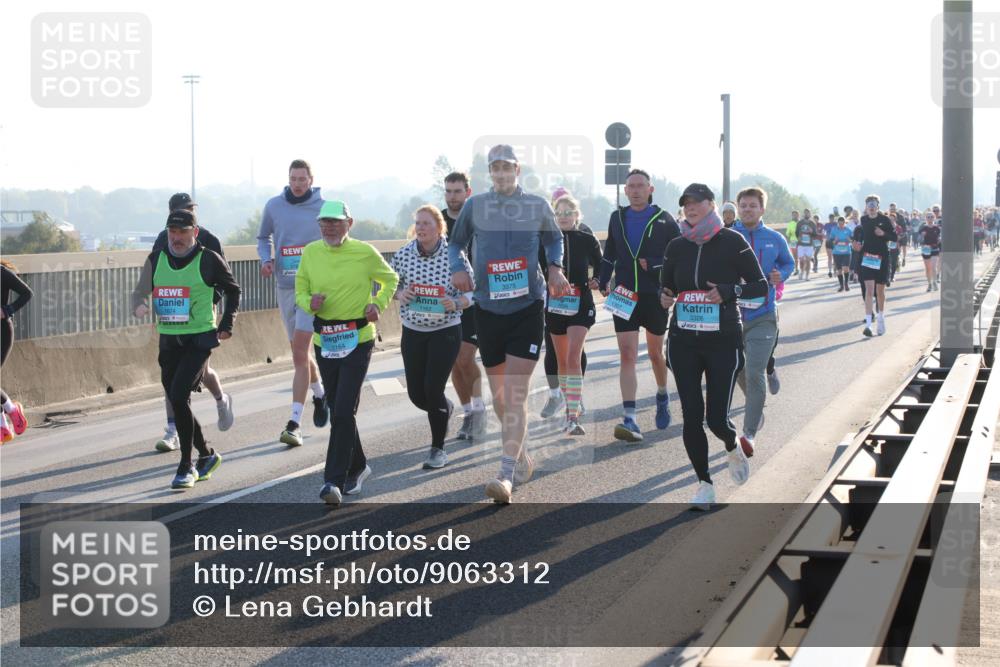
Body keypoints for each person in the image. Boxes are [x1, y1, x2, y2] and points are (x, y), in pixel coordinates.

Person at [449, 144, 569, 504]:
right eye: (496, 168)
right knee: (501, 398)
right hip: (488, 309)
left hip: (527, 308)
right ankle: (520, 451)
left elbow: (554, 238)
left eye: (507, 168)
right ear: (490, 173)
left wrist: (555, 267)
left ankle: (505, 474)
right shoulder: (475, 206)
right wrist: (459, 268)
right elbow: (456, 244)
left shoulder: (536, 205)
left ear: (518, 170)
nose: (502, 174)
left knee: (515, 394)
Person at [660, 184, 769, 511]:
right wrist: (664, 297)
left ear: (711, 205)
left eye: (697, 202)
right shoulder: (676, 246)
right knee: (691, 416)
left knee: (717, 420)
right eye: (686, 204)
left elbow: (760, 287)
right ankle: (704, 485)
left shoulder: (732, 241)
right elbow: (666, 287)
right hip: (683, 342)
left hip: (722, 342)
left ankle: (732, 445)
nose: (690, 208)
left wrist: (729, 290)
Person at [296, 200, 399, 505]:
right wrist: (308, 302)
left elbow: (390, 279)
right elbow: (300, 288)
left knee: (341, 410)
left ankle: (333, 481)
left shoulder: (364, 252)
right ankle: (358, 466)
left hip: (358, 338)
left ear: (349, 224)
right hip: (325, 339)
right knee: (340, 408)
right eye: (324, 222)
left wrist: (377, 304)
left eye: (336, 222)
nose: (329, 228)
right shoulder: (311, 252)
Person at [131, 209, 240, 489]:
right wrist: (139, 305)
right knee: (177, 400)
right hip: (169, 340)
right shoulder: (156, 259)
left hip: (199, 339)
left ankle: (186, 466)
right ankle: (206, 454)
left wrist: (227, 322)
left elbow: (233, 289)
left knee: (179, 395)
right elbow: (139, 292)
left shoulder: (209, 259)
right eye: (172, 232)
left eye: (182, 232)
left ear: (195, 232)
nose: (176, 238)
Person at [597, 169, 680, 442]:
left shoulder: (665, 219)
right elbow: (609, 253)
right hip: (623, 292)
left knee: (655, 354)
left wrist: (656, 266)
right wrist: (602, 278)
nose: (635, 190)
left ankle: (662, 394)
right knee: (627, 354)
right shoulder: (617, 217)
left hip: (654, 294)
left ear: (650, 189)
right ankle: (630, 418)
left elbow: (677, 256)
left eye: (640, 186)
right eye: (631, 186)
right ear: (625, 190)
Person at [151, 193, 234, 453]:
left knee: (200, 374)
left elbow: (224, 279)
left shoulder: (209, 240)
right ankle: (173, 429)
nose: (188, 214)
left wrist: (209, 302)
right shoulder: (163, 239)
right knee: (175, 382)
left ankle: (220, 399)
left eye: (190, 210)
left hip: (201, 319)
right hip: (172, 321)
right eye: (182, 210)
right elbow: (156, 275)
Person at [392, 205, 472, 469]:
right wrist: (400, 294)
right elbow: (388, 285)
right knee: (417, 394)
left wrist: (457, 302)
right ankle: (444, 408)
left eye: (426, 223)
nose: (421, 228)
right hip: (413, 330)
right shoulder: (403, 254)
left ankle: (438, 449)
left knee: (432, 388)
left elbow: (473, 292)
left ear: (439, 227)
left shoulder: (454, 256)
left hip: (445, 331)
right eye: (418, 223)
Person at [257, 159, 327, 447]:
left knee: (299, 353)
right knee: (299, 351)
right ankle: (320, 394)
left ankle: (294, 422)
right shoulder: (274, 206)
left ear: (311, 180)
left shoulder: (323, 207)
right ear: (288, 179)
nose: (297, 184)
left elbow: (337, 238)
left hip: (313, 290)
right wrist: (266, 259)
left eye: (302, 179)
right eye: (293, 179)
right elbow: (263, 237)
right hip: (285, 286)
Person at [731, 187, 794, 458]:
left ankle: (749, 435)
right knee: (737, 369)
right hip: (732, 317)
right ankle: (755, 409)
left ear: (762, 209)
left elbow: (788, 264)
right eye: (743, 205)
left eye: (752, 205)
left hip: (763, 316)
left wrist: (781, 275)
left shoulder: (774, 238)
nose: (747, 209)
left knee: (754, 371)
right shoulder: (727, 237)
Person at [542, 194, 603, 435]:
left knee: (573, 356)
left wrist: (597, 279)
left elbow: (602, 264)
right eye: (559, 213)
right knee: (562, 361)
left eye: (568, 213)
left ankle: (572, 416)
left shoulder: (586, 239)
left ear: (577, 215)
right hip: (555, 303)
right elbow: (537, 268)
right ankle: (569, 404)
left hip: (581, 302)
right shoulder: (546, 241)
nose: (564, 217)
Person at [442, 172, 488, 440]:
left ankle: (480, 409)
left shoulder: (479, 221)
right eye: (448, 191)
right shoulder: (438, 221)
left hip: (476, 300)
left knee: (464, 357)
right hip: (446, 302)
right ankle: (469, 412)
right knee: (453, 362)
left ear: (468, 192)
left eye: (457, 191)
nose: (452, 197)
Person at [855, 194, 897, 337]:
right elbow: (861, 237)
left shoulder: (885, 220)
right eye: (869, 205)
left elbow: (894, 237)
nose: (871, 208)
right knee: (868, 290)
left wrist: (883, 233)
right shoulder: (863, 220)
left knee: (880, 291)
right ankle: (868, 325)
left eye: (873, 205)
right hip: (867, 258)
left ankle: (880, 318)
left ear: (878, 206)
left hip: (882, 258)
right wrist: (857, 245)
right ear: (866, 207)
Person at [0, 260, 32, 443]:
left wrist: (7, 310)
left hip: (2, 332)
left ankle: (12, 411)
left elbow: (27, 294)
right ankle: (3, 427)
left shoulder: (2, 273)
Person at [918, 211, 942, 291]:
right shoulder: (923, 228)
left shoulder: (937, 228)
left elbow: (940, 237)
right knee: (928, 268)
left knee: (933, 267)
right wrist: (922, 236)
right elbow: (919, 240)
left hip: (935, 248)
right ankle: (929, 284)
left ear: (934, 218)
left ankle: (934, 282)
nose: (930, 218)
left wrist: (939, 239)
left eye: (931, 217)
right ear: (926, 218)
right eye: (928, 217)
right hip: (926, 249)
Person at [829, 216, 854, 291]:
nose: (841, 225)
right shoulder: (834, 230)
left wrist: (850, 240)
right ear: (837, 223)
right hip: (837, 253)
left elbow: (853, 239)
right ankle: (841, 286)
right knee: (839, 270)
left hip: (846, 252)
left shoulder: (848, 230)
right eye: (839, 224)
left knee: (846, 268)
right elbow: (830, 240)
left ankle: (846, 284)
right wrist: (834, 241)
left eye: (842, 224)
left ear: (844, 223)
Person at [794, 212, 818, 280]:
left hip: (809, 245)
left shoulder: (812, 223)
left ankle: (807, 275)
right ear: (803, 214)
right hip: (801, 244)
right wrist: (798, 237)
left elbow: (815, 234)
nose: (806, 214)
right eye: (805, 213)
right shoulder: (799, 223)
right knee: (801, 261)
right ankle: (802, 272)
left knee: (808, 260)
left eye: (808, 213)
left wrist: (811, 232)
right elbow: (796, 232)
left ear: (810, 215)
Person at [786, 211, 800, 275]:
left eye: (795, 215)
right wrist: (789, 234)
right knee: (795, 257)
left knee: (802, 256)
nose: (794, 216)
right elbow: (787, 233)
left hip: (801, 241)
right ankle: (796, 269)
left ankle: (803, 268)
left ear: (798, 215)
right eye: (793, 215)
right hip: (793, 241)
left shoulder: (801, 222)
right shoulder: (790, 224)